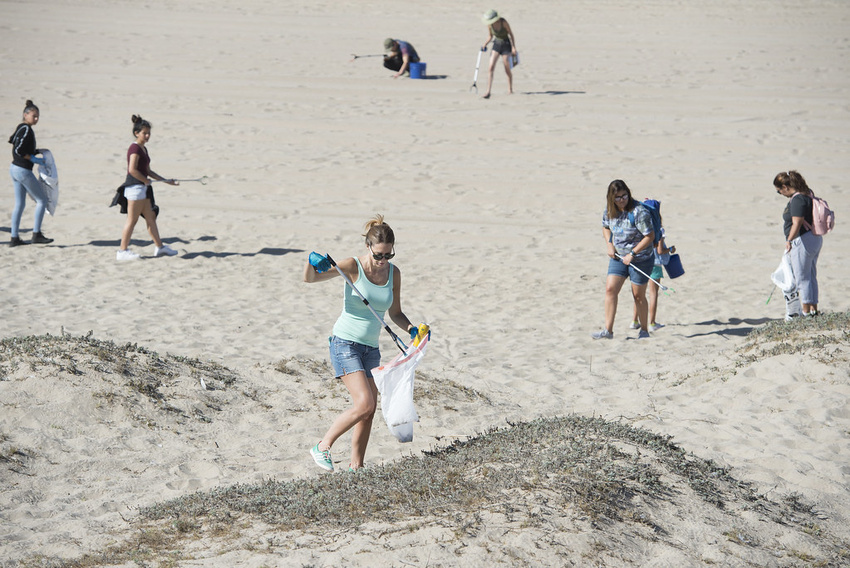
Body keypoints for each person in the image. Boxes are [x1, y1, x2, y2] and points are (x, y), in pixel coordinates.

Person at [304, 215, 422, 472]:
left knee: (368, 411)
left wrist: (412, 329)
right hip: (344, 343)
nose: (383, 261)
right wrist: (311, 263)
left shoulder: (394, 273)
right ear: (368, 247)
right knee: (364, 403)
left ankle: (356, 467)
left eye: (388, 255)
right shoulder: (352, 266)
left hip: (371, 348)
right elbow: (311, 279)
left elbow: (395, 313)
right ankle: (322, 446)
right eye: (379, 255)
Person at [592, 180, 656, 340]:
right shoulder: (609, 210)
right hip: (618, 257)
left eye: (624, 196)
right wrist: (609, 245)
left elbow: (650, 236)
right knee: (610, 290)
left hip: (640, 259)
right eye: (617, 197)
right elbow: (605, 227)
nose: (621, 200)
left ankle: (644, 330)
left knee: (638, 296)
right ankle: (608, 331)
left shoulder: (639, 212)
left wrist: (633, 254)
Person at [116, 115, 179, 261]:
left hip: (142, 189)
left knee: (150, 218)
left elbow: (148, 170)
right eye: (144, 133)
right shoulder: (134, 148)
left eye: (149, 133)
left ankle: (160, 248)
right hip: (134, 189)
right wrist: (145, 181)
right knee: (132, 220)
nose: (147, 135)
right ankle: (122, 251)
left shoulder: (143, 148)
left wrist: (165, 181)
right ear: (136, 133)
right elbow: (132, 170)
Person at [774, 170, 822, 316]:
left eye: (779, 191)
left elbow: (797, 222)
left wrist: (789, 240)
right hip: (814, 238)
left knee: (802, 278)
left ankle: (806, 312)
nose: (780, 194)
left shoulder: (797, 199)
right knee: (811, 274)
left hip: (803, 240)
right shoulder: (808, 194)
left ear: (785, 187)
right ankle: (813, 310)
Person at [8, 99, 53, 247]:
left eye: (38, 116)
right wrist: (33, 158)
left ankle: (14, 238)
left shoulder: (21, 128)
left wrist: (35, 151)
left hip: (14, 169)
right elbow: (19, 150)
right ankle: (36, 234)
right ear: (25, 114)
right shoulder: (26, 129)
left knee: (19, 204)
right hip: (22, 170)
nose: (36, 119)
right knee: (42, 200)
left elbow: (14, 141)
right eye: (34, 116)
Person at [630, 199, 675, 332]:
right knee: (653, 293)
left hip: (640, 262)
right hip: (654, 263)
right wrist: (671, 249)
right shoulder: (658, 228)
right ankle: (652, 323)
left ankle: (634, 321)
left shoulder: (639, 225)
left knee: (639, 294)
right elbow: (660, 250)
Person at [481, 9, 517, 99]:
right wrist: (485, 44)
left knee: (507, 68)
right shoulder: (490, 25)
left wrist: (513, 47)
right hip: (496, 44)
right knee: (491, 67)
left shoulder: (503, 22)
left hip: (506, 44)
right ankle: (488, 91)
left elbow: (511, 34)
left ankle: (510, 89)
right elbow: (490, 36)